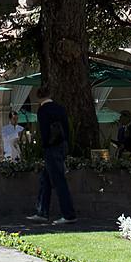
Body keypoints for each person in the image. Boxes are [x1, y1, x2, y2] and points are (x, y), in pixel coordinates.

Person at [27, 87, 76, 224]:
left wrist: (43, 146)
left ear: (38, 97)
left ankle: (68, 214)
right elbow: (66, 129)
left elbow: (43, 132)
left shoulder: (43, 110)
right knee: (46, 179)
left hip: (51, 148)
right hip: (61, 146)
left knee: (59, 181)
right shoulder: (60, 108)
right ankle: (42, 211)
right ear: (50, 94)